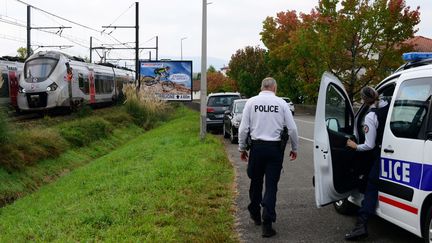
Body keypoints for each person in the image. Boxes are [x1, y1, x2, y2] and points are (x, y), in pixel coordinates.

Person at [238, 77, 299, 238]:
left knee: (255, 181)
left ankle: (255, 212)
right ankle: (267, 222)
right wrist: (294, 148)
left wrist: (242, 148)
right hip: (274, 150)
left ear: (262, 87)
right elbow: (292, 128)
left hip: (257, 148)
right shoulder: (281, 103)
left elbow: (244, 129)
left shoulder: (251, 102)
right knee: (271, 186)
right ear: (274, 88)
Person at [344, 86, 390, 241]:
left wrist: (355, 146)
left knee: (371, 187)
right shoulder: (386, 104)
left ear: (364, 100)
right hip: (390, 149)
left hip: (380, 153)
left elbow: (369, 145)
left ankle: (361, 226)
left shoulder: (371, 116)